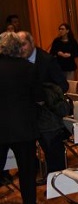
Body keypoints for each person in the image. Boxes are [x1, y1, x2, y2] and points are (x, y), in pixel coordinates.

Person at [0, 32, 48, 204]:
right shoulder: (28, 68)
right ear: (18, 48)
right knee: (27, 173)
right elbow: (39, 98)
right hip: (24, 128)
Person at [18, 31, 68, 172]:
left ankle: (58, 181)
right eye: (18, 45)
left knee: (53, 150)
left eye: (24, 44)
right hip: (29, 115)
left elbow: (63, 85)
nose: (21, 48)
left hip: (48, 116)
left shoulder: (47, 60)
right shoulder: (19, 61)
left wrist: (44, 94)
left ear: (32, 43)